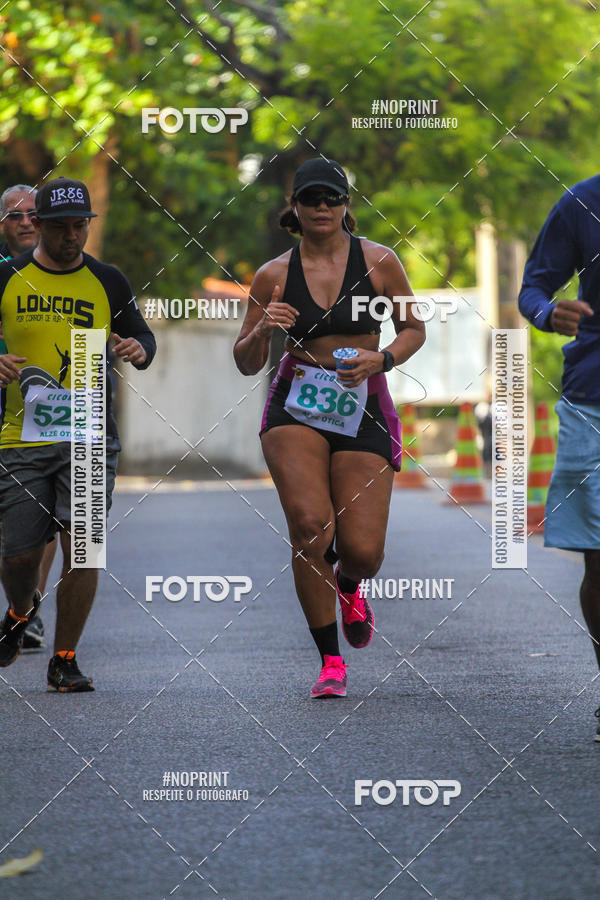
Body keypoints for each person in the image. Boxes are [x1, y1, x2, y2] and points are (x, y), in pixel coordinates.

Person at [234, 158, 425, 697]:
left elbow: (414, 327)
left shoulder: (381, 262)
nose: (322, 208)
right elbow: (246, 361)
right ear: (293, 207)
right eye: (311, 199)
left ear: (347, 206)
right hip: (297, 404)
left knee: (363, 551)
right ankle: (330, 662)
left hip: (364, 400)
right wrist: (264, 331)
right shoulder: (273, 275)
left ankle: (349, 584)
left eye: (332, 199)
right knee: (310, 526)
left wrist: (381, 359)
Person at [0, 176, 156, 691]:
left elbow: (143, 334)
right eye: (61, 227)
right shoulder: (9, 277)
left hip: (89, 435)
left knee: (83, 548)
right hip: (20, 438)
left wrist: (139, 349)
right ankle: (21, 612)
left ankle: (64, 658)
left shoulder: (108, 279)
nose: (72, 237)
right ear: (38, 225)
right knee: (18, 554)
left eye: (80, 227)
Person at [518, 173, 600, 739]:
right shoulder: (583, 202)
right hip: (594, 398)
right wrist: (550, 314)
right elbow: (533, 289)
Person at [0, 183, 56, 650]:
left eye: (32, 214)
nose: (24, 222)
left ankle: (27, 608)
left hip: (40, 404)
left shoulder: (63, 269)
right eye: (14, 215)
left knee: (44, 509)